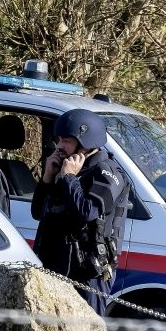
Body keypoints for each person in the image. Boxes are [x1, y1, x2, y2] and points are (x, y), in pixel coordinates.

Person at [30, 108, 131, 317]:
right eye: (59, 140)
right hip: (56, 264)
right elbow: (38, 212)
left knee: (87, 330)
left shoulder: (107, 173)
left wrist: (69, 178)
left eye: (66, 141)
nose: (59, 146)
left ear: (85, 143)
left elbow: (88, 211)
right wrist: (47, 178)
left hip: (88, 272)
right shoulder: (65, 169)